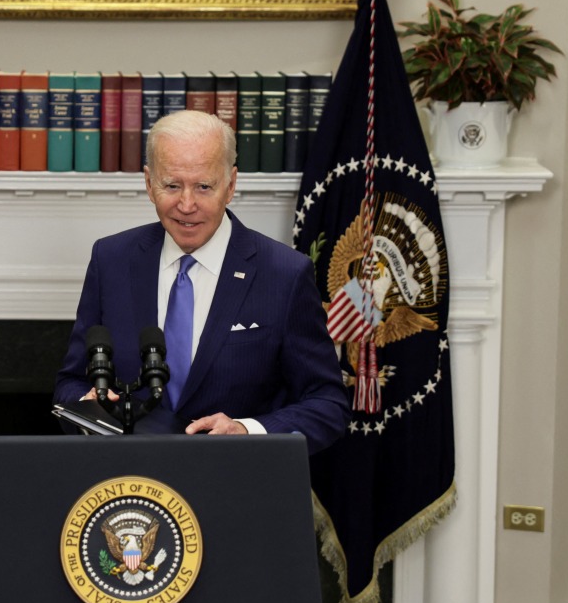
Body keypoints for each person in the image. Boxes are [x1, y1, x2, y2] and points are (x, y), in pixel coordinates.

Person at [54, 110, 349, 454]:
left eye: (204, 186)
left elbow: (328, 403)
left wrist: (246, 430)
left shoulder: (284, 274)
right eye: (172, 185)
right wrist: (88, 405)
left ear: (231, 185)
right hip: (131, 483)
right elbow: (70, 382)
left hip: (231, 488)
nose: (187, 204)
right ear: (149, 183)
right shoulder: (112, 259)